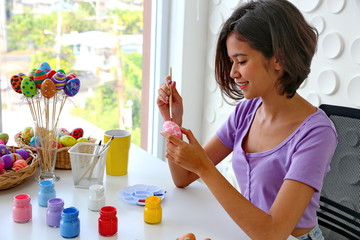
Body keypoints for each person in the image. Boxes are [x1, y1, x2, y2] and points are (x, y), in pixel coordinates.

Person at [157, 0, 337, 239]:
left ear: (278, 59)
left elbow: (273, 232)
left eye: (241, 61)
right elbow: (184, 177)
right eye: (232, 62)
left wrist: (204, 167)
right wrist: (174, 123)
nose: (233, 73)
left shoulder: (317, 134)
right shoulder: (247, 112)